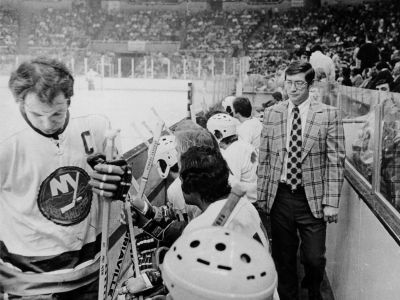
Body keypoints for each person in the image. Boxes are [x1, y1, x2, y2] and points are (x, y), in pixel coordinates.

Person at [0, 58, 115, 299]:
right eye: (37, 114)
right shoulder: (6, 142)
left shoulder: (95, 126)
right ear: (21, 102)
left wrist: (118, 180)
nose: (47, 123)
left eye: (57, 113)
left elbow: (118, 188)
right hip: (28, 280)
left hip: (90, 271)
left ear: (69, 100)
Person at [257, 61, 345, 300]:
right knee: (283, 258)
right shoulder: (273, 114)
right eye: (288, 83)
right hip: (281, 196)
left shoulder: (328, 115)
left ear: (310, 84)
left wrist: (332, 202)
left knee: (314, 259)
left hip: (312, 199)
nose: (292, 89)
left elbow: (336, 161)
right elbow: (264, 158)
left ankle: (314, 291)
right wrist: (263, 197)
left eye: (298, 84)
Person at [207, 113, 258, 203]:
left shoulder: (231, 154)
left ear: (218, 134)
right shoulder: (243, 144)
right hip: (256, 195)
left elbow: (231, 187)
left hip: (249, 202)